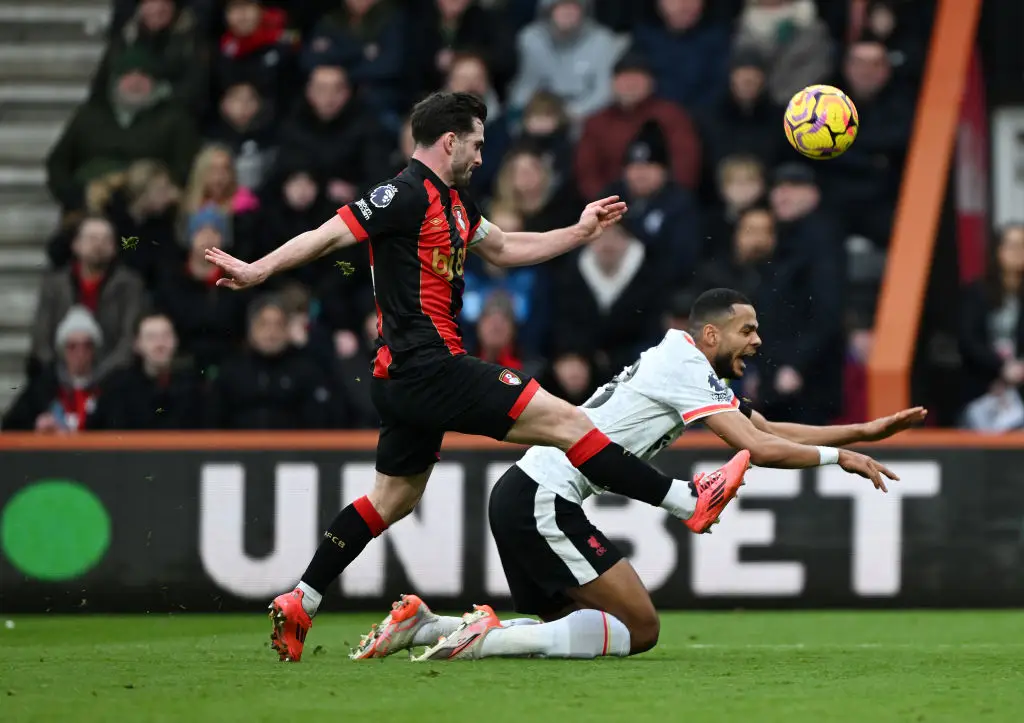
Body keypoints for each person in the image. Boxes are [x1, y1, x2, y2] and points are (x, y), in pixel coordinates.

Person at [203, 91, 753, 662]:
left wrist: (579, 232)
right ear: (450, 141)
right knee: (569, 421)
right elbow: (330, 235)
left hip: (404, 379)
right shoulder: (405, 193)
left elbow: (508, 246)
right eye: (478, 144)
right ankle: (685, 501)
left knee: (392, 498)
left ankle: (302, 598)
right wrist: (258, 269)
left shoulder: (457, 205)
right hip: (429, 366)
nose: (482, 156)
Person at [347, 288, 926, 662]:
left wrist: (861, 433)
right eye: (747, 329)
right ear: (710, 335)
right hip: (543, 498)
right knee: (640, 628)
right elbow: (757, 448)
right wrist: (840, 459)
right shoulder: (683, 364)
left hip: (525, 494)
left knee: (580, 628)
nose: (758, 340)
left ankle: (425, 626)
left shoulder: (684, 366)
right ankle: (483, 642)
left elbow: (768, 429)